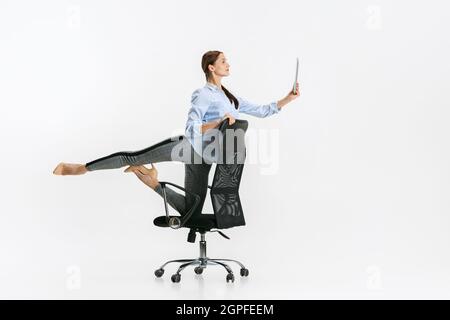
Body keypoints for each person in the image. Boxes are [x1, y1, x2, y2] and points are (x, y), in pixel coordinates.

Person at [52, 50, 301, 217]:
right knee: (134, 156)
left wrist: (288, 98)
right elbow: (191, 129)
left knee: (190, 211)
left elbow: (263, 110)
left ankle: (152, 181)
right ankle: (81, 168)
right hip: (187, 147)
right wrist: (218, 122)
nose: (228, 64)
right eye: (224, 61)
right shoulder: (203, 94)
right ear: (211, 68)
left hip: (204, 159)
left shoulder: (229, 97)